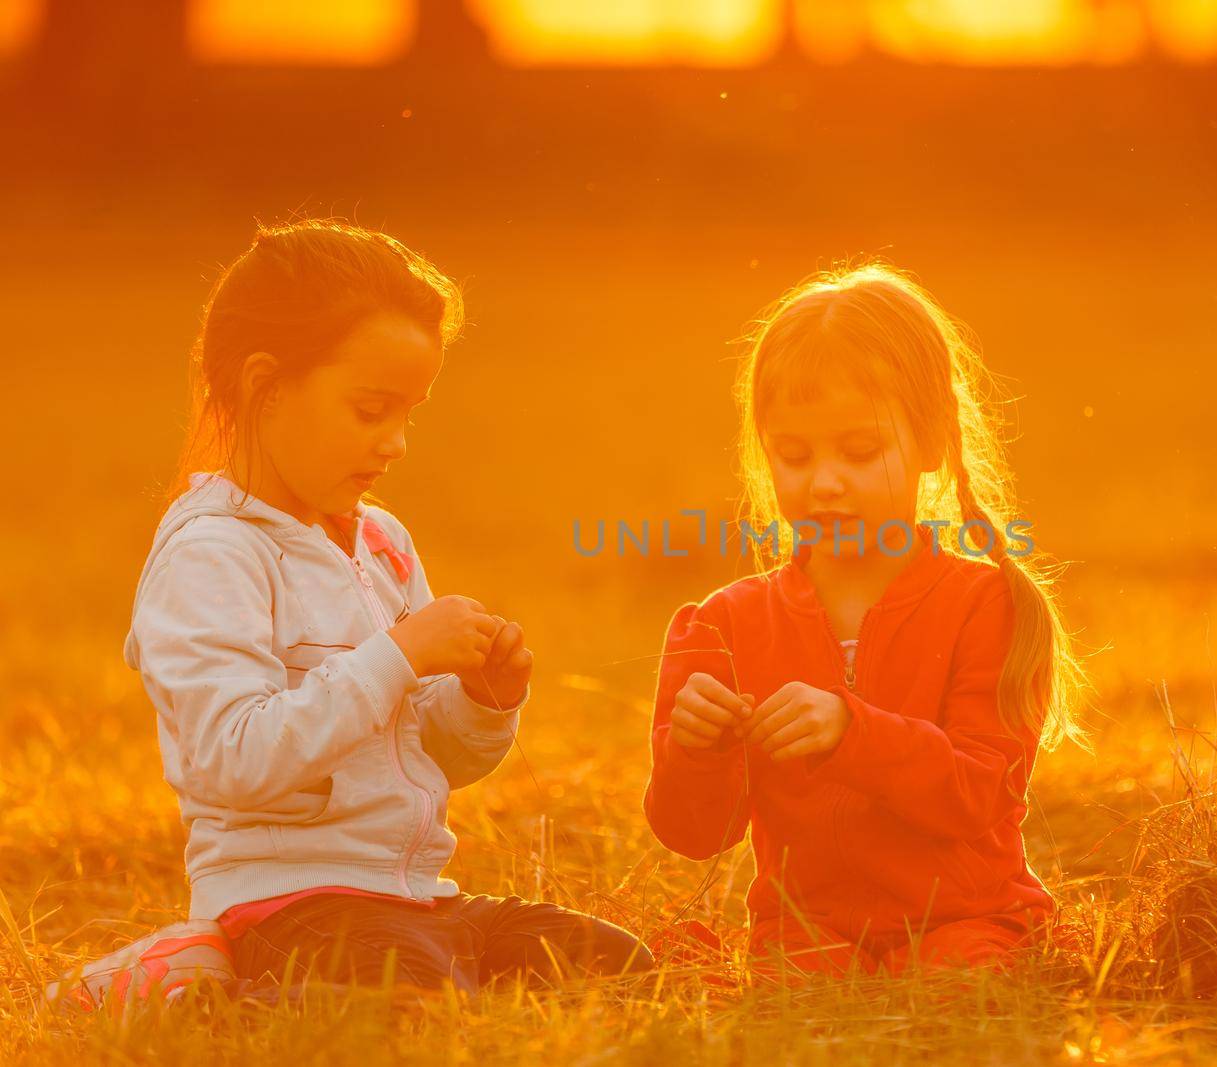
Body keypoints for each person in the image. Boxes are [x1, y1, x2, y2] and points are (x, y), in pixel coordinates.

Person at [67, 220, 651, 1005]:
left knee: (619, 968)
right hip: (286, 903)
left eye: (409, 412)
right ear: (263, 386)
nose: (397, 442)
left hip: (416, 895)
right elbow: (231, 759)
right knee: (409, 1008)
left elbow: (428, 754)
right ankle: (180, 988)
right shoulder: (213, 554)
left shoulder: (381, 542)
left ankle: (414, 975)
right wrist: (400, 653)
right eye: (371, 409)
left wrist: (483, 699)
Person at [643, 263, 1090, 976]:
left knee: (960, 980)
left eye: (859, 451)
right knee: (799, 991)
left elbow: (977, 794)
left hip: (971, 918)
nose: (824, 480)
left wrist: (854, 730)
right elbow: (694, 832)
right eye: (794, 455)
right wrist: (695, 747)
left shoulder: (985, 607)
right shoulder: (725, 624)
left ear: (934, 442)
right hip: (807, 929)